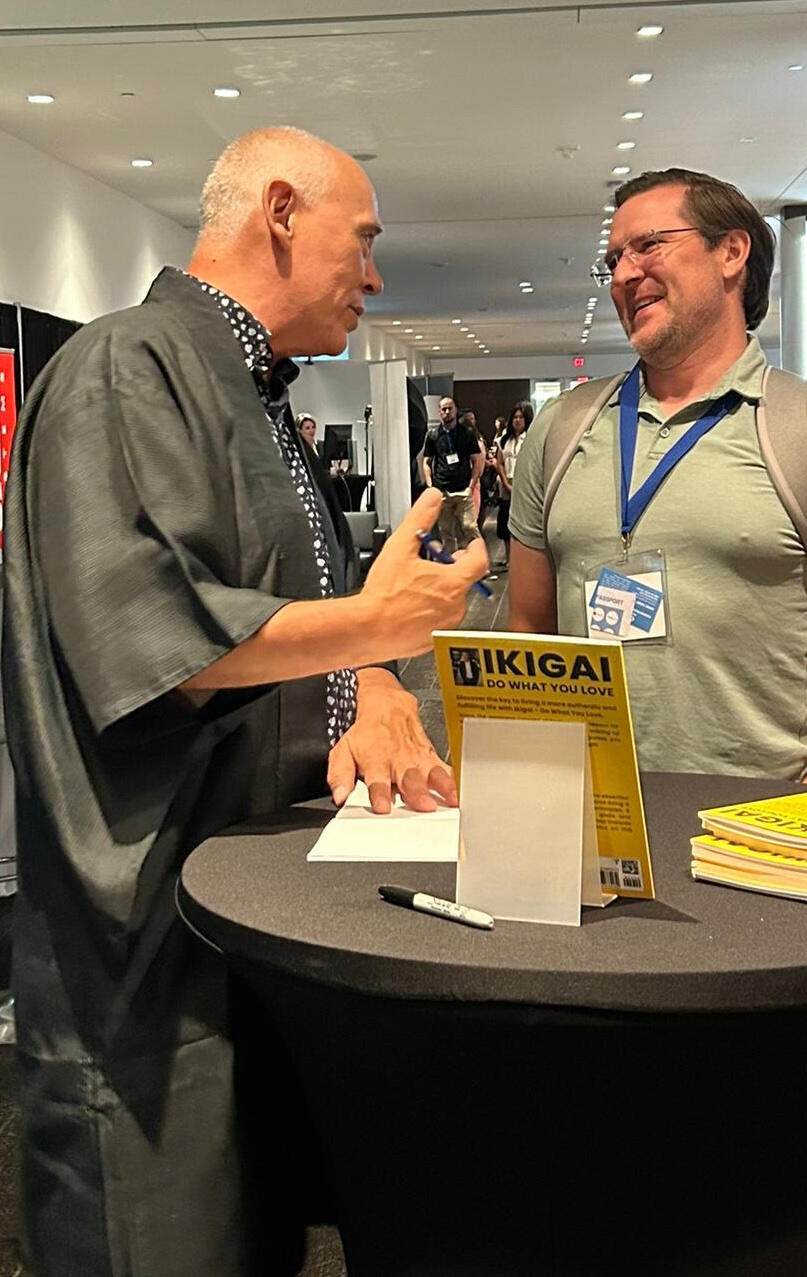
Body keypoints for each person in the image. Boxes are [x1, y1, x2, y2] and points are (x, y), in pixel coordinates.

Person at [2, 125, 488, 1277]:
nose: (374, 276)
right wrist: (376, 627)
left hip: (242, 929)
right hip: (148, 962)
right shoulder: (128, 367)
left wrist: (370, 679)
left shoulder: (248, 394)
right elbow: (150, 637)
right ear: (280, 211)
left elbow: (284, 613)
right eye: (361, 241)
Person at [508, 166, 807, 783]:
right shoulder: (562, 429)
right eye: (614, 258)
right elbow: (527, 639)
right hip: (589, 821)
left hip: (762, 832)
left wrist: (796, 815)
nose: (624, 273)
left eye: (649, 245)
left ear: (731, 252)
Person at [422, 396, 484, 553]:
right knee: (446, 533)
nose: (447, 412)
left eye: (450, 408)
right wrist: (430, 484)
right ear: (439, 412)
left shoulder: (467, 434)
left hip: (463, 489)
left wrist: (472, 485)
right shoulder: (433, 436)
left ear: (455, 410)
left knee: (470, 527)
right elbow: (426, 462)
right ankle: (452, 565)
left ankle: (479, 562)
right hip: (442, 490)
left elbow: (477, 460)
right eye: (444, 409)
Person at [494, 400, 534, 567]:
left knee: (523, 522)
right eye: (515, 417)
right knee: (505, 522)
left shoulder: (531, 438)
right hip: (506, 482)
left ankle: (523, 558)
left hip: (525, 483)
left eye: (521, 417)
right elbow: (499, 462)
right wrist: (505, 482)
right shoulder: (504, 440)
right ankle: (509, 557)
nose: (517, 420)